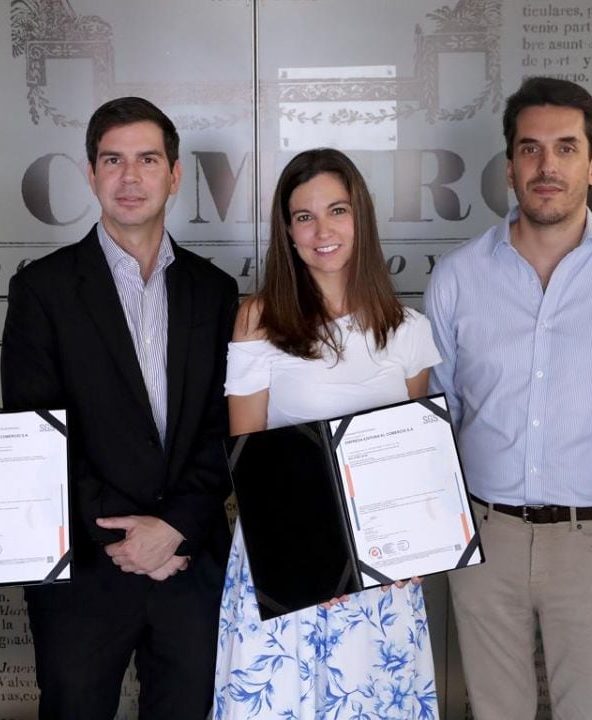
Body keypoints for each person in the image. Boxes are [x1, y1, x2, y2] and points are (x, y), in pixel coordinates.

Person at [425, 76, 592, 719]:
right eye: (530, 148)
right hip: (485, 538)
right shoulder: (459, 276)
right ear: (510, 164)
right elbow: (442, 408)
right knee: (494, 711)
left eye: (567, 148)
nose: (548, 166)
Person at [0, 96, 237, 719]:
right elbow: (36, 434)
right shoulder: (41, 290)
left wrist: (173, 530)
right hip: (85, 569)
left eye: (147, 159)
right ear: (90, 173)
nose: (130, 178)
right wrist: (129, 538)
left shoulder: (215, 292)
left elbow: (225, 427)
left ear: (175, 174)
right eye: (113, 160)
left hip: (189, 563)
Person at [212, 148, 441, 719]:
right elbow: (253, 465)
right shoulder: (258, 320)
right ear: (287, 232)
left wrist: (411, 544)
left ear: (360, 217)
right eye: (303, 216)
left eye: (337, 211)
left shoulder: (409, 331)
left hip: (381, 576)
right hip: (286, 564)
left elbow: (415, 459)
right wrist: (317, 557)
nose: (322, 231)